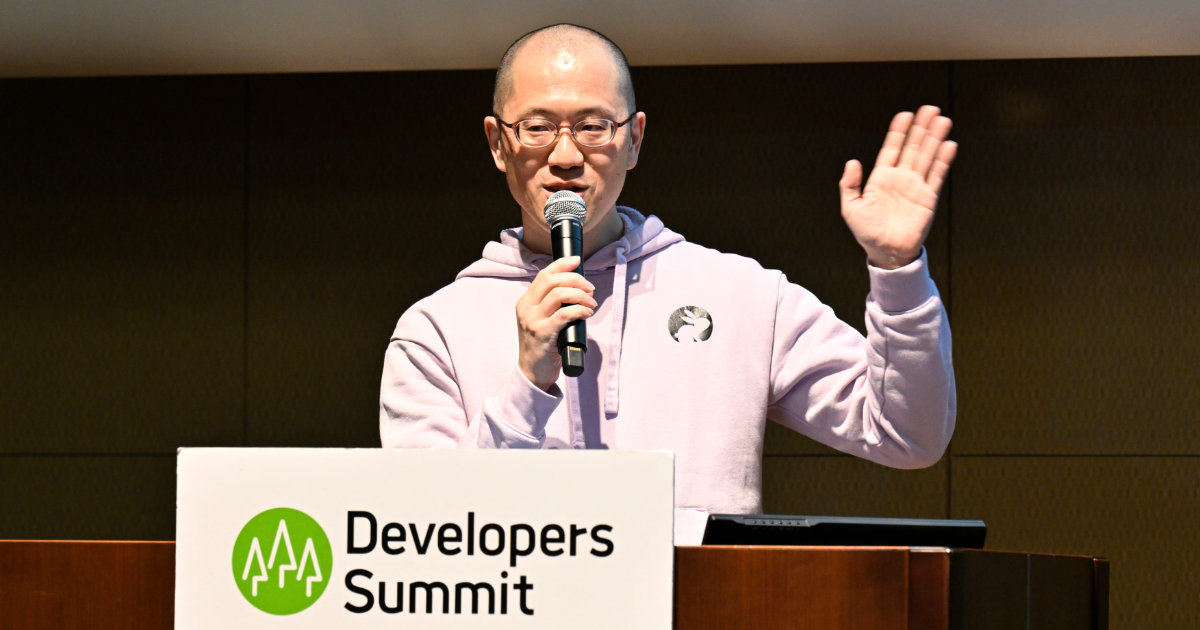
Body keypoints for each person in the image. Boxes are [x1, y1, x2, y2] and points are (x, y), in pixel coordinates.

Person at [380, 24, 957, 516]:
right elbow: (425, 532)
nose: (565, 155)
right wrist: (526, 385)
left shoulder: (741, 294)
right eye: (536, 127)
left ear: (634, 139)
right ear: (497, 143)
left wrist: (897, 269)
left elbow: (908, 435)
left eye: (593, 125)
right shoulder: (435, 330)